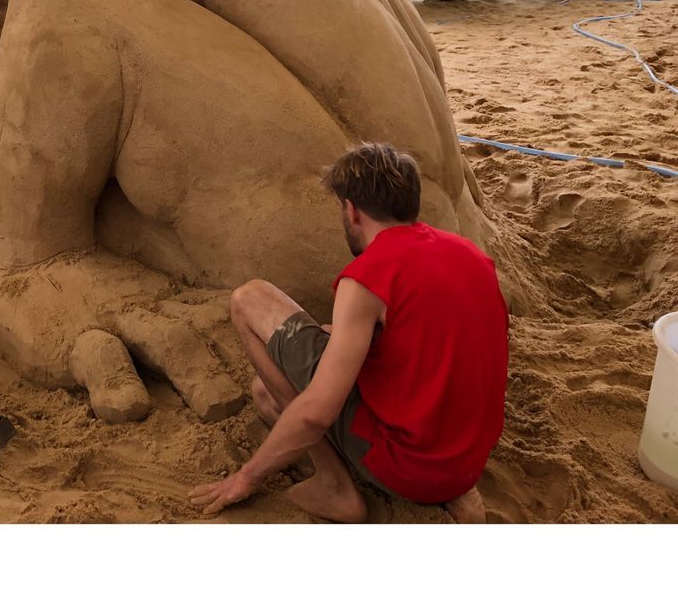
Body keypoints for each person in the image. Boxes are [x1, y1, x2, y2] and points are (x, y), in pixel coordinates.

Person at [190, 142, 508, 524]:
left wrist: (245, 477)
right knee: (268, 394)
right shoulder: (471, 255)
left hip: (409, 469)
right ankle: (451, 490)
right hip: (464, 465)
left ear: (351, 210)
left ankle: (334, 485)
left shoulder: (368, 277)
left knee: (249, 299)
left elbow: (316, 416)